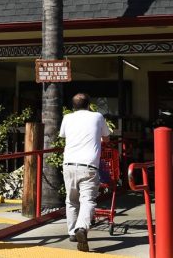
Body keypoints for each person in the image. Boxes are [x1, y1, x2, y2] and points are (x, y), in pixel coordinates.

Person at [59, 93, 110, 252]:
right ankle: (82, 228)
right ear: (89, 105)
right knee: (87, 200)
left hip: (69, 164)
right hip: (89, 166)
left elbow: (63, 136)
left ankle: (73, 232)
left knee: (71, 200)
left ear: (73, 106)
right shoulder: (98, 116)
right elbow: (106, 138)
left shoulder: (67, 118)